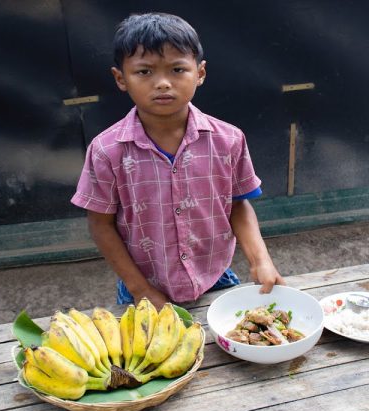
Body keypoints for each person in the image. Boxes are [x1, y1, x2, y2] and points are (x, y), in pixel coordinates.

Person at [71, 13, 284, 310]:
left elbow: (237, 204)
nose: (162, 83)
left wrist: (261, 260)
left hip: (215, 276)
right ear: (121, 78)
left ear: (200, 73)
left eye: (177, 69)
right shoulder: (107, 151)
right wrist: (141, 289)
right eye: (144, 72)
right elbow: (100, 224)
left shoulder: (228, 140)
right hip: (142, 285)